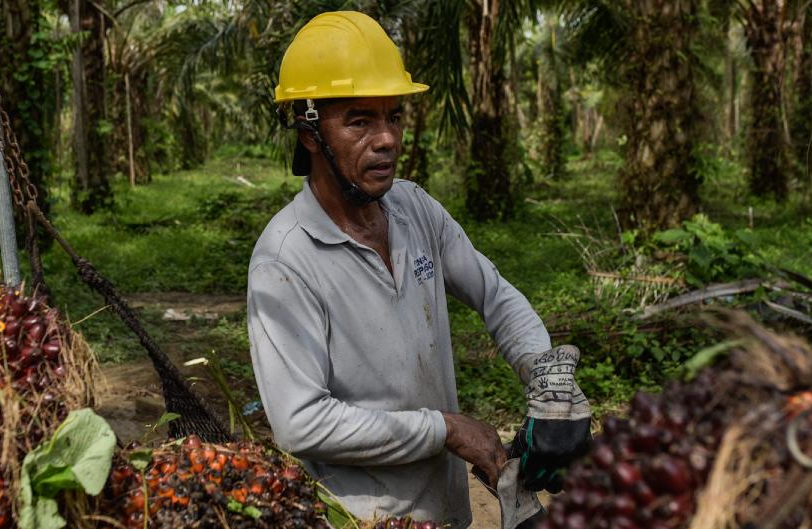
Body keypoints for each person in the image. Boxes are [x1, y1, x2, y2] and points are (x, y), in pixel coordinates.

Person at [246, 11, 592, 527]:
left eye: (394, 117)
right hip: (361, 519)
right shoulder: (285, 259)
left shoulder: (414, 210)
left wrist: (549, 382)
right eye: (360, 120)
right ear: (310, 132)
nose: (386, 139)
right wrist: (446, 430)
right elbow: (301, 424)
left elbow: (494, 295)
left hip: (446, 512)